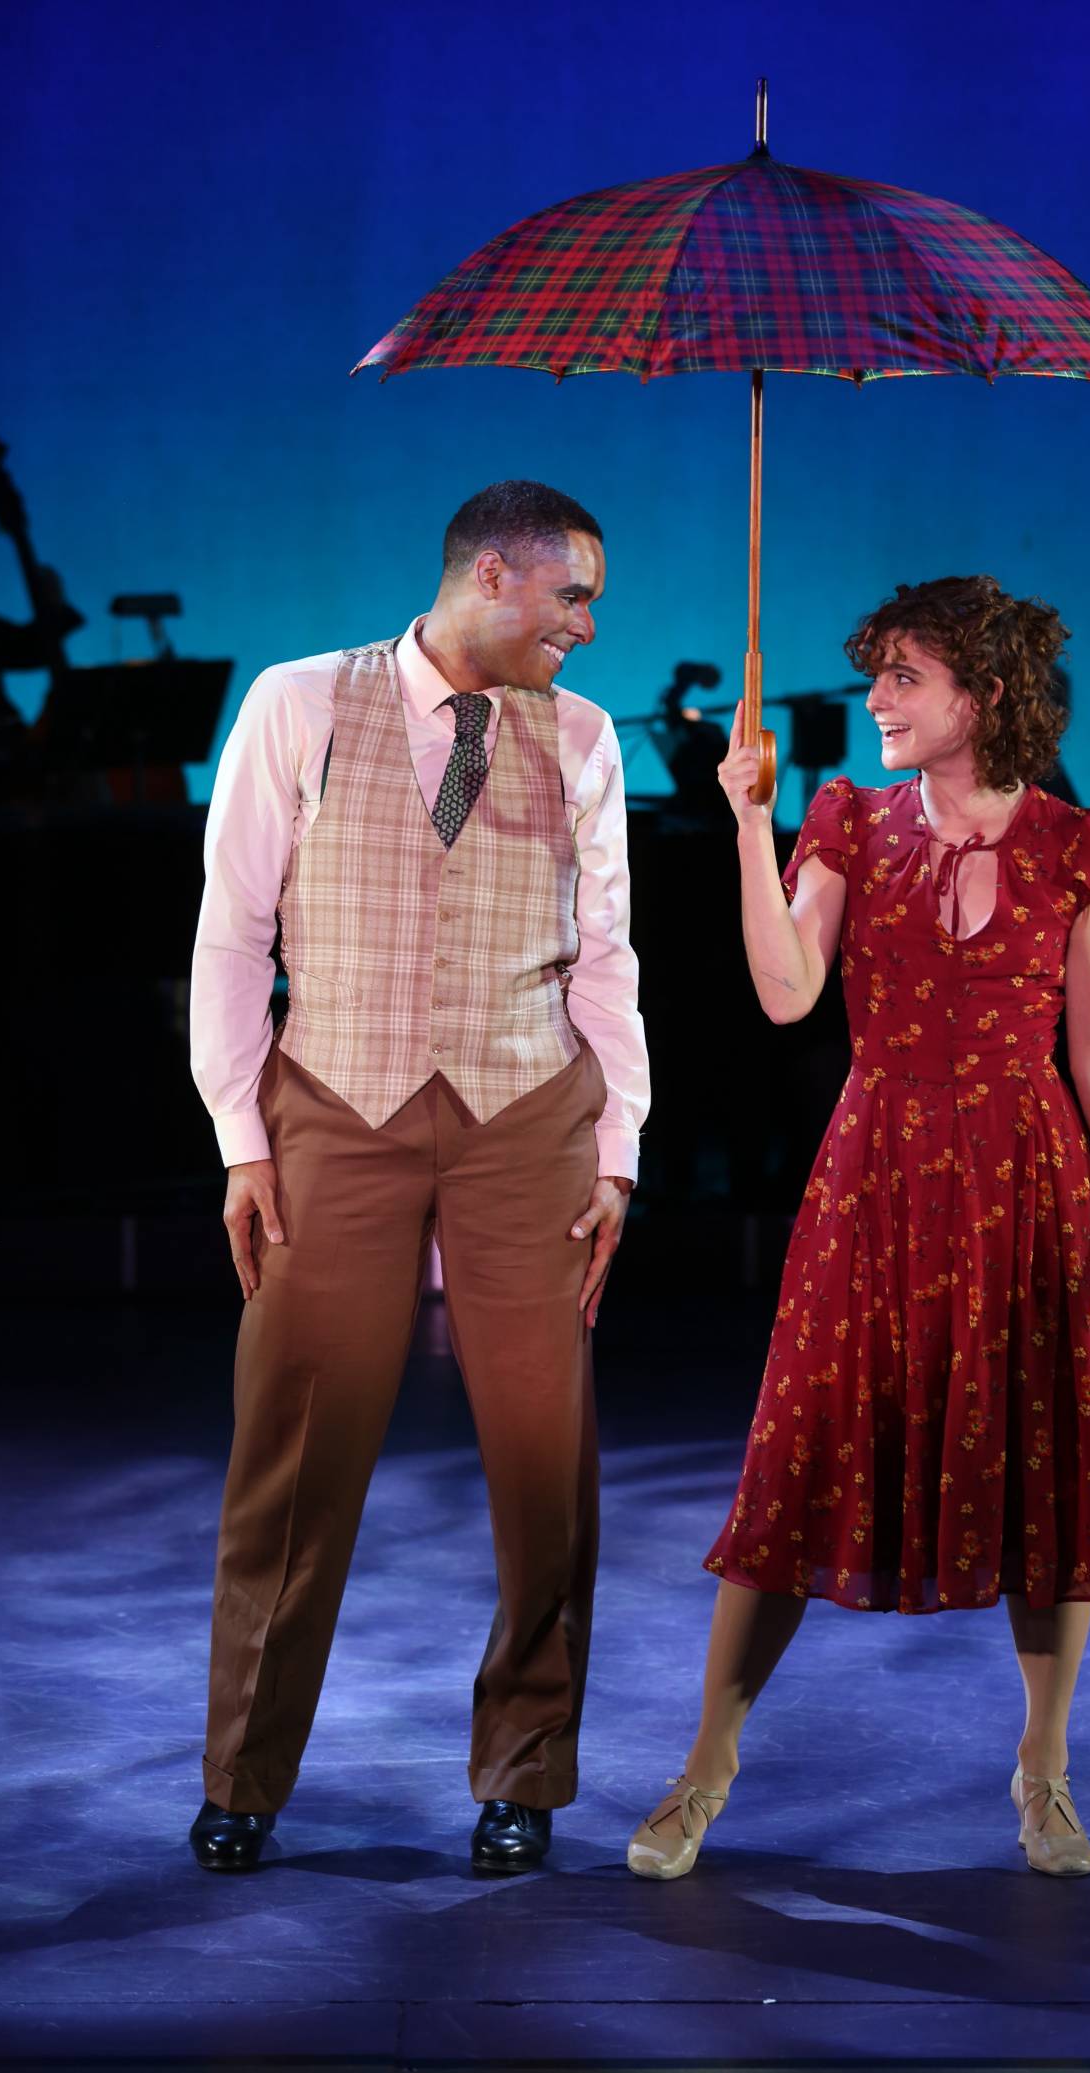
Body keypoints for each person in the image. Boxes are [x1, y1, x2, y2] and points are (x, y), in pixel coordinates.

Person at [627, 575, 1090, 1881]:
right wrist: (749, 826)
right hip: (876, 1174)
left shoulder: (1075, 840)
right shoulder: (851, 821)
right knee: (797, 1460)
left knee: (1045, 1468)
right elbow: (782, 991)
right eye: (876, 675)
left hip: (1029, 1187)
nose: (873, 700)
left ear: (982, 695)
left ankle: (1042, 1767)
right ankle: (706, 1764)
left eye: (902, 677)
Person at [189, 480, 648, 1875]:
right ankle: (244, 1774)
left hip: (526, 1112)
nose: (585, 628)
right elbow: (230, 929)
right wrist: (242, 1134)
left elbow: (609, 957)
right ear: (496, 578)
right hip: (337, 1102)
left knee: (540, 1458)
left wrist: (618, 1151)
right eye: (574, 597)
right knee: (294, 1446)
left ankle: (523, 1769)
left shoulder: (578, 736)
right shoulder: (300, 701)